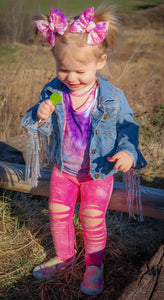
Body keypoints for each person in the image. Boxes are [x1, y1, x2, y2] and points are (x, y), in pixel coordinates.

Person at [22, 6, 147, 296]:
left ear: (100, 62)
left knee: (91, 217)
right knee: (58, 211)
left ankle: (94, 265)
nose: (71, 77)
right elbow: (36, 121)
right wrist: (40, 114)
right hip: (64, 169)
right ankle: (65, 257)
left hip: (97, 170)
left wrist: (127, 152)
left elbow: (129, 126)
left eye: (80, 70)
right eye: (63, 69)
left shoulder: (112, 97)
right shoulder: (54, 92)